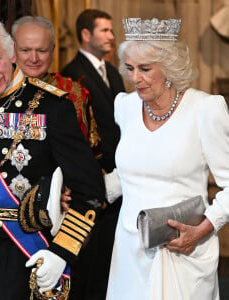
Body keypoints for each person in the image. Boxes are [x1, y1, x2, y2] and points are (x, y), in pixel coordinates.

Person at [0, 16, 105, 300]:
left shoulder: (53, 107)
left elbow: (90, 190)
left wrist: (62, 251)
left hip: (21, 254)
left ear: (11, 52)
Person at [105, 17, 229, 299]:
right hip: (129, 250)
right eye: (130, 68)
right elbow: (127, 175)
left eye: (145, 69)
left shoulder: (204, 110)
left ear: (170, 67)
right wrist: (84, 191)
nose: (135, 77)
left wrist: (203, 229)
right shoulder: (125, 106)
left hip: (181, 250)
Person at [61, 9, 125, 300]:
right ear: (86, 35)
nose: (111, 36)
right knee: (88, 264)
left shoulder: (112, 72)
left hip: (119, 180)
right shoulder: (72, 73)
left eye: (112, 31)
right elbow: (76, 133)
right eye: (104, 31)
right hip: (91, 182)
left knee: (109, 263)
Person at [11, 15, 102, 156]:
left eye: (41, 51)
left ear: (53, 51)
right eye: (26, 50)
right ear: (13, 50)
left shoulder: (74, 92)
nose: (34, 59)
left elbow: (89, 154)